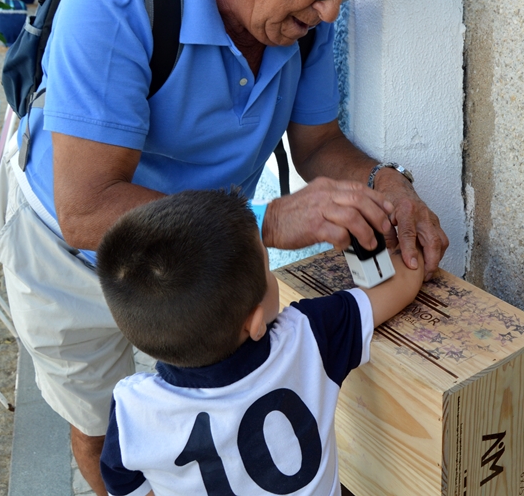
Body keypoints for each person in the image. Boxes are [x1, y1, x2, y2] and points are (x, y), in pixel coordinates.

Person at [0, 0, 448, 493]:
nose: (331, 12)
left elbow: (317, 144)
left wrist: (386, 182)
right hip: (74, 257)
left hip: (207, 262)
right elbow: (87, 210)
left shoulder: (301, 26)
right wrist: (263, 220)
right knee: (102, 425)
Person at [97, 188, 424, 496]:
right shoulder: (309, 336)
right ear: (254, 323)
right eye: (269, 268)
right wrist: (412, 243)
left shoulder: (132, 412)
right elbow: (403, 282)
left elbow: (124, 483)